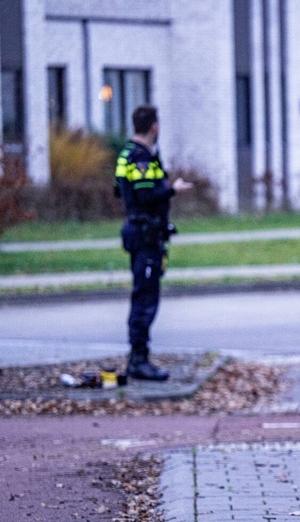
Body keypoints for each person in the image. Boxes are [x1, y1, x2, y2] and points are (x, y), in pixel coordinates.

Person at [115, 105, 192, 381]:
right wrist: (172, 190)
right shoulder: (141, 157)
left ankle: (139, 358)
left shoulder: (126, 154)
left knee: (143, 295)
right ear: (154, 127)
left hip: (139, 230)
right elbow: (146, 195)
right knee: (145, 299)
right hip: (145, 234)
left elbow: (119, 190)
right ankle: (139, 361)